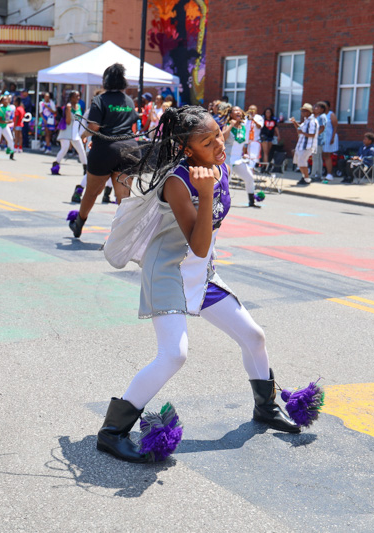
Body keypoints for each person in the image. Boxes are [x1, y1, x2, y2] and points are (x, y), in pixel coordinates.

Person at [95, 105, 317, 463]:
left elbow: (205, 245)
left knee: (254, 336)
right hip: (167, 271)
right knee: (174, 354)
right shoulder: (178, 181)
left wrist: (212, 184)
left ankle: (266, 408)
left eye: (219, 135)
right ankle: (111, 432)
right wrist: (207, 191)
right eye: (207, 140)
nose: (219, 144)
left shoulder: (221, 166)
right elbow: (197, 242)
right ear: (187, 149)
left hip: (201, 272)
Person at [68, 63, 139, 238]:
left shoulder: (100, 100)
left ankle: (79, 223)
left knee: (92, 192)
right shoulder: (128, 100)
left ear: (105, 81)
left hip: (105, 149)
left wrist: (83, 136)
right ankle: (125, 234)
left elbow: (94, 126)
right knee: (124, 196)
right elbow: (132, 125)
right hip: (130, 148)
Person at [222, 105, 260, 207]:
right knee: (226, 182)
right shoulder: (227, 125)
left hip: (238, 159)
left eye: (239, 111)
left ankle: (251, 201)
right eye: (235, 111)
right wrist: (230, 125)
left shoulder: (243, 127)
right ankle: (222, 203)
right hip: (227, 158)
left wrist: (246, 153)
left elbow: (243, 143)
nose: (238, 112)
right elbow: (222, 138)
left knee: (249, 178)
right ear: (231, 114)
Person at [54, 90, 88, 175]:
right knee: (65, 148)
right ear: (71, 97)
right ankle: (55, 166)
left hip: (75, 134)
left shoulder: (79, 106)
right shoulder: (68, 107)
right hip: (66, 132)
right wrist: (68, 110)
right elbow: (68, 121)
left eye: (79, 96)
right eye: (76, 96)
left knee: (81, 150)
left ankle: (86, 169)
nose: (78, 98)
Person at [291, 103, 317, 186]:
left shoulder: (312, 122)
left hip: (307, 146)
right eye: (302, 111)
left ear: (309, 112)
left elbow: (313, 134)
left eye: (304, 111)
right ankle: (305, 178)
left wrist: (302, 133)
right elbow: (299, 128)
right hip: (301, 145)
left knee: (302, 162)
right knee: (299, 163)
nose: (302, 112)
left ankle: (306, 179)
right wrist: (294, 122)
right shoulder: (306, 121)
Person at [317, 101, 339, 181]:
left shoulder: (331, 114)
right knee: (322, 155)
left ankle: (330, 174)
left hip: (329, 137)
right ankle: (322, 172)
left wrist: (332, 138)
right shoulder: (321, 116)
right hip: (322, 138)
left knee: (327, 155)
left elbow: (335, 127)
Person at [0, 95, 15, 160]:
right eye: (4, 100)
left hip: (4, 125)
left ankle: (11, 153)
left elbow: (8, 117)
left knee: (10, 138)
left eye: (7, 99)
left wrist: (10, 121)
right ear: (1, 102)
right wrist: (8, 122)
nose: (6, 101)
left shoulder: (9, 108)